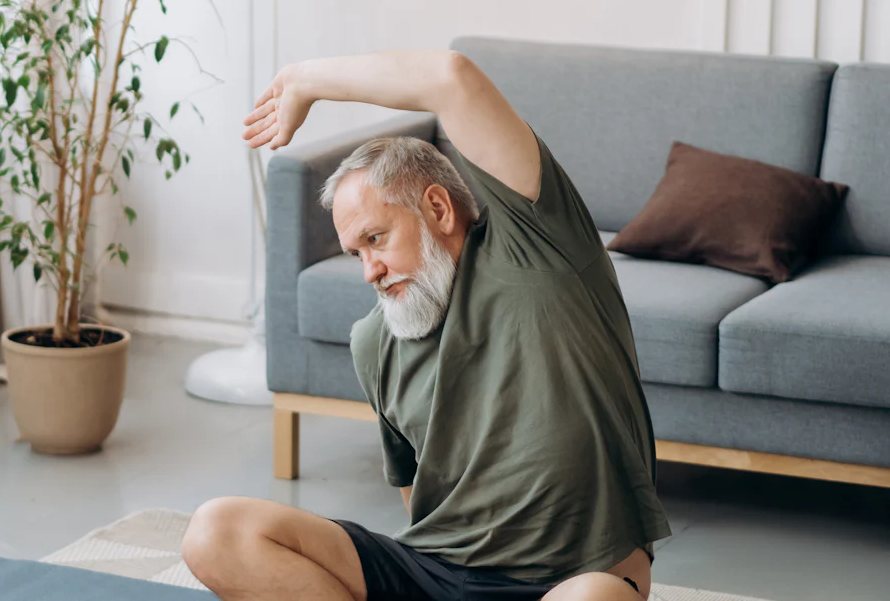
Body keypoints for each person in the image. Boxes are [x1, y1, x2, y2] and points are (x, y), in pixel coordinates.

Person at [181, 51, 672, 601]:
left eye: (375, 238)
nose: (369, 270)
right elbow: (420, 495)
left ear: (438, 209)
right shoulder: (375, 341)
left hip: (570, 580)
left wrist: (305, 81)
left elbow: (453, 78)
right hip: (435, 572)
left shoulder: (541, 250)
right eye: (354, 253)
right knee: (215, 531)